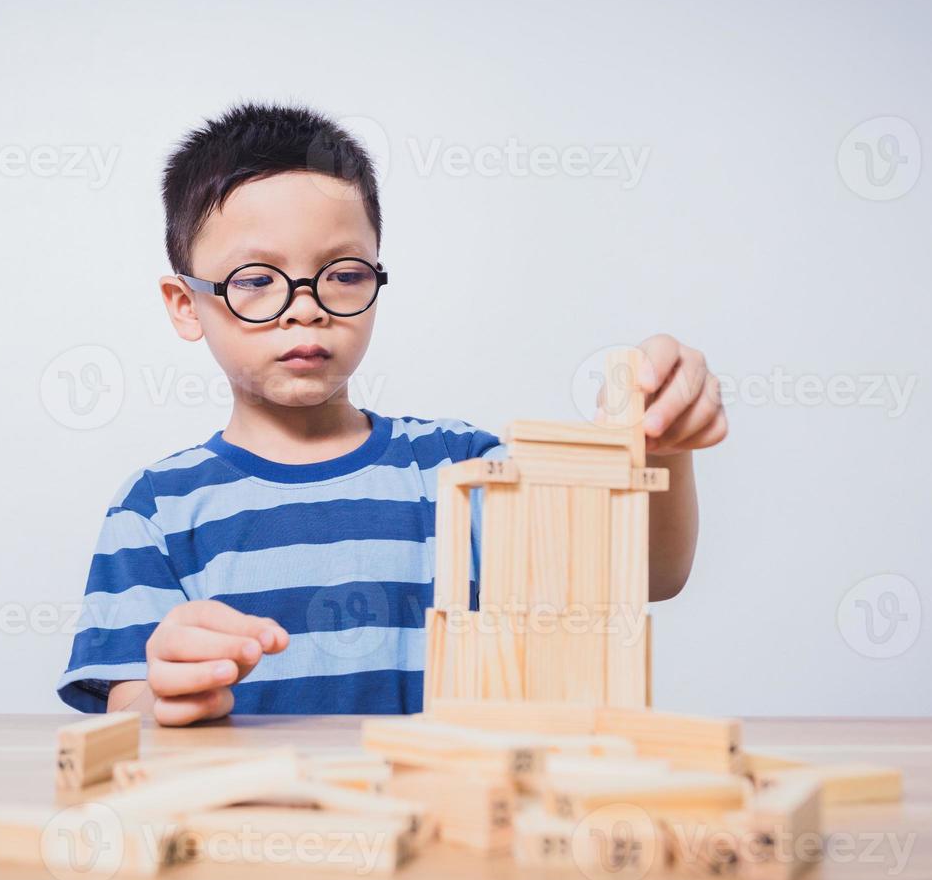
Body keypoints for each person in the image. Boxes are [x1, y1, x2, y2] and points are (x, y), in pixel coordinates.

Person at [57, 102, 726, 725]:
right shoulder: (154, 510)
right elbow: (129, 710)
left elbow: (649, 576)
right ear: (185, 305)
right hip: (253, 838)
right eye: (255, 281)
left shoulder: (464, 467)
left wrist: (664, 441)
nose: (305, 305)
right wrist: (165, 691)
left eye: (344, 273)